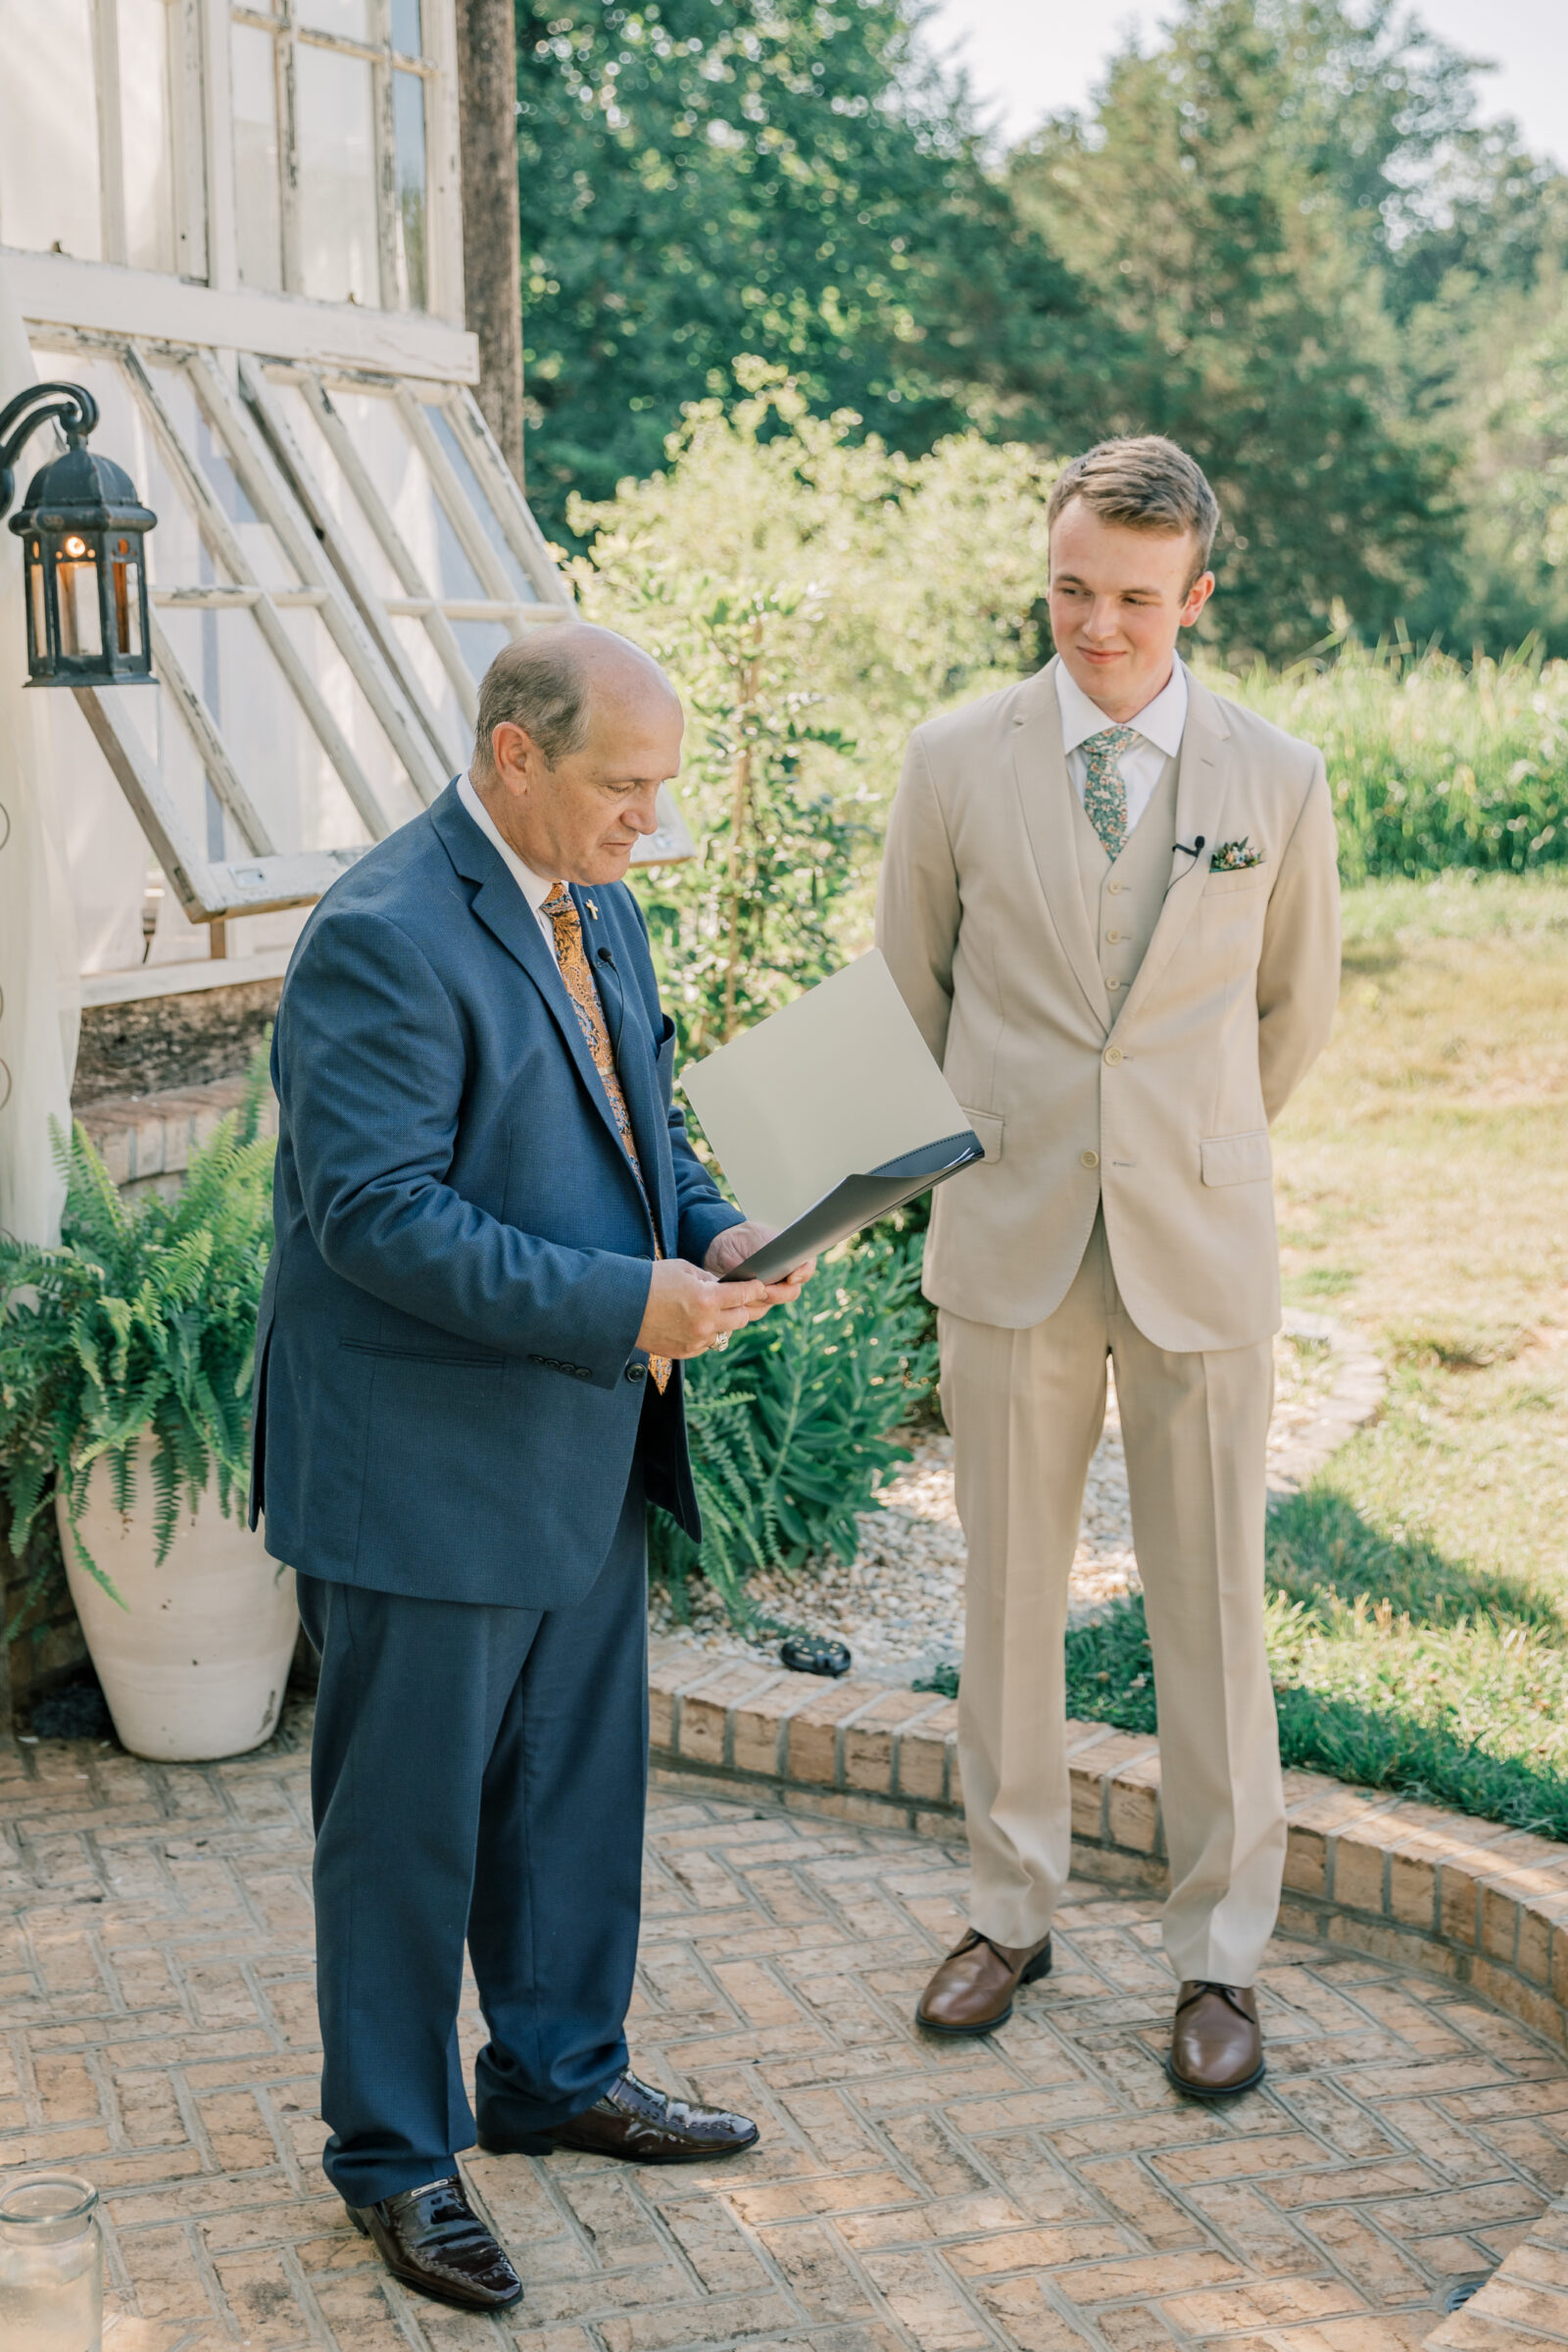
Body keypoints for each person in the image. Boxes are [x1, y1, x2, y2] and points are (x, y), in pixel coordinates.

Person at [251, 624, 810, 2313]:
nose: (652, 820)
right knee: (405, 1835)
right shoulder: (379, 935)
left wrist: (718, 1224)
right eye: (625, 786)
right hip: (419, 1469)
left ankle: (557, 2077)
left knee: (575, 1795)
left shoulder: (604, 904)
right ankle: (398, 2158)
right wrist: (636, 1300)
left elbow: (645, 1127)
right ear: (513, 754)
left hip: (577, 1441)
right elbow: (380, 1219)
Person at [875, 436, 1341, 2094]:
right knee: (1005, 1596)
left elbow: (1292, 1017)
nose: (1098, 627)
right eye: (1073, 589)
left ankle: (1219, 1957)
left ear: (1196, 594)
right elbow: (908, 1000)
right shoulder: (951, 760)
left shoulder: (1278, 779)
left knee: (1212, 1609)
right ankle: (1010, 1907)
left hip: (1197, 1245)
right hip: (1007, 1238)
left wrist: (1180, 1148)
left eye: (1136, 599)